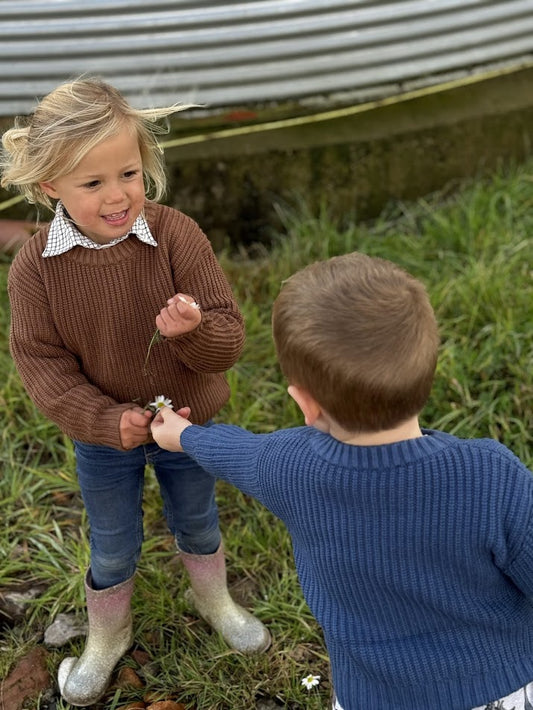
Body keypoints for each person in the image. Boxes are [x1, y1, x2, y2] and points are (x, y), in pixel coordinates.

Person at [151, 251, 533, 710]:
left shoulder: (289, 466)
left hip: (373, 696)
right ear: (429, 372)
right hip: (504, 687)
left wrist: (185, 435)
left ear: (304, 403)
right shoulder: (491, 474)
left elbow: (237, 454)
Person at [1, 77, 270, 707]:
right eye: (92, 184)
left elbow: (229, 340)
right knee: (113, 538)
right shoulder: (37, 268)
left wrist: (193, 332)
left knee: (197, 517)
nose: (118, 195)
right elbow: (41, 364)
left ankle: (215, 600)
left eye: (128, 173)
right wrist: (101, 419)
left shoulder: (176, 235)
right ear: (51, 189)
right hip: (106, 438)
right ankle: (108, 634)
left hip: (186, 424)